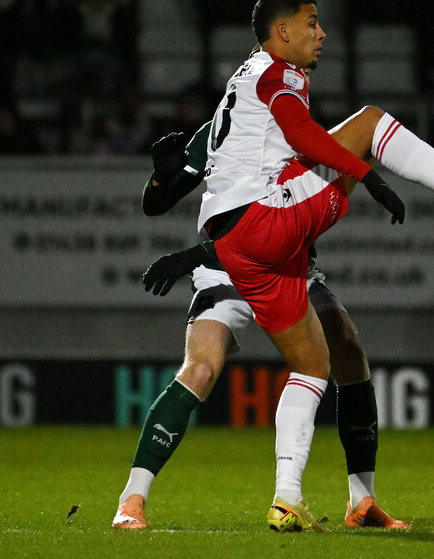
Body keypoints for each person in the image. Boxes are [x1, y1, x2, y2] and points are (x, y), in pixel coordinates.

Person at [123, 0, 434, 532]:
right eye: (312, 23)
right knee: (368, 127)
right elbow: (160, 199)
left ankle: (349, 501)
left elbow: (168, 198)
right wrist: (367, 175)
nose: (322, 34)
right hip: (249, 244)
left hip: (252, 253)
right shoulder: (273, 86)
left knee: (335, 352)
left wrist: (165, 180)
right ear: (282, 32)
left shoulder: (240, 105)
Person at [112, 123, 409, 532]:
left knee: (347, 353)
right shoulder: (222, 126)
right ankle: (131, 500)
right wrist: (162, 176)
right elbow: (156, 203)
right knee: (200, 368)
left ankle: (363, 500)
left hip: (289, 267)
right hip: (223, 270)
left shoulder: (296, 124)